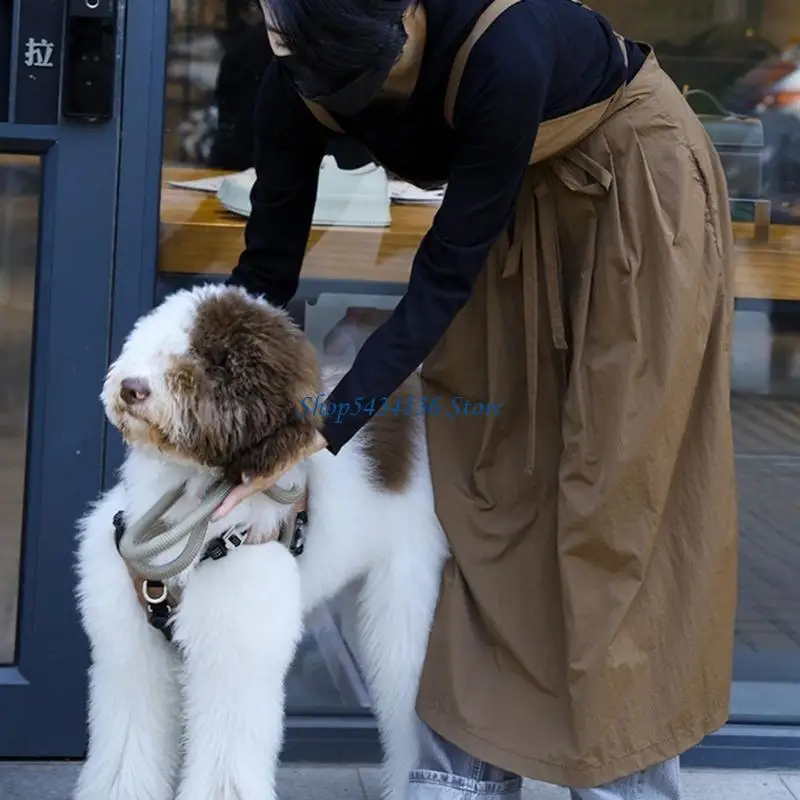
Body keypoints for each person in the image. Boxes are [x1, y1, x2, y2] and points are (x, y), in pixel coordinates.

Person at [214, 0, 740, 798]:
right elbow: (269, 264)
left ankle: (618, 777)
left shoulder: (507, 44)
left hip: (633, 188)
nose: (367, 103)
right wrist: (233, 414)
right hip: (509, 198)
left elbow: (443, 276)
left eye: (381, 78)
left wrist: (321, 429)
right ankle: (464, 769)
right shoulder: (298, 68)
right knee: (487, 478)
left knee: (613, 488)